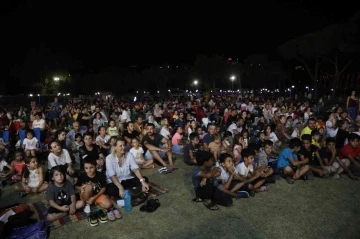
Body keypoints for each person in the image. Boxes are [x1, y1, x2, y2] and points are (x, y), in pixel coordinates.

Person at [75, 157, 116, 225]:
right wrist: (81, 188)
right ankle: (87, 204)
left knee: (108, 204)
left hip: (97, 195)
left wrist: (95, 197)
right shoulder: (82, 175)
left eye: (91, 167)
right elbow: (76, 186)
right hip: (85, 195)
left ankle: (94, 202)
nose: (89, 170)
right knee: (89, 187)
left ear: (96, 166)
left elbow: (103, 188)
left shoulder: (100, 175)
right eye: (86, 168)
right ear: (84, 168)